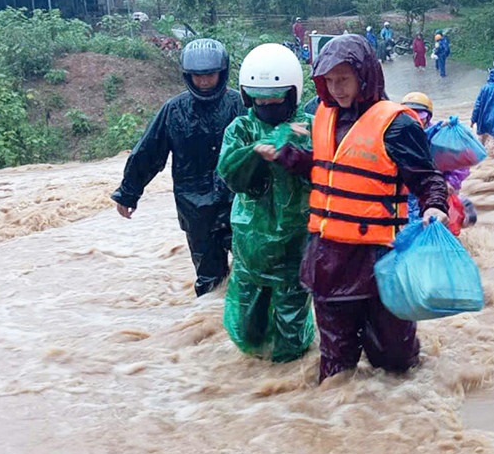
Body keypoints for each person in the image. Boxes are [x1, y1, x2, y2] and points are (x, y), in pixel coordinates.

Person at [272, 35, 449, 383]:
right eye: (329, 80)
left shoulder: (397, 124)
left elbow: (428, 177)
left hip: (379, 259)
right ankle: (336, 422)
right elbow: (331, 170)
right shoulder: (322, 116)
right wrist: (292, 158)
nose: (336, 89)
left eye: (344, 79)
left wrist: (435, 206)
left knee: (395, 362)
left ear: (365, 76)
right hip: (329, 260)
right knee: (336, 367)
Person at [111, 39, 245, 297]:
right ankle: (207, 328)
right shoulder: (174, 111)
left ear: (222, 72)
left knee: (250, 272)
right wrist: (128, 193)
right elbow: (148, 153)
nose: (204, 82)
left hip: (238, 204)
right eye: (198, 76)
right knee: (210, 281)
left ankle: (242, 331)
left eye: (210, 75)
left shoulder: (240, 105)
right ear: (188, 76)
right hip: (195, 210)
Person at [216, 44, 314, 363]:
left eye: (275, 97)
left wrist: (290, 145)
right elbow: (230, 173)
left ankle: (288, 386)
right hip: (251, 246)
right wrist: (254, 152)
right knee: (249, 330)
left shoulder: (309, 127)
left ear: (292, 94)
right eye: (260, 98)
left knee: (291, 336)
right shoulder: (241, 128)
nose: (267, 104)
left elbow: (326, 170)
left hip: (294, 247)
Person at [401, 92, 477, 236]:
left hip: (438, 189)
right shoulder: (398, 136)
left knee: (453, 222)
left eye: (420, 116)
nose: (416, 120)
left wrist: (451, 182)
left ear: (428, 117)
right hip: (410, 195)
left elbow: (460, 164)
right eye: (410, 116)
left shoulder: (441, 136)